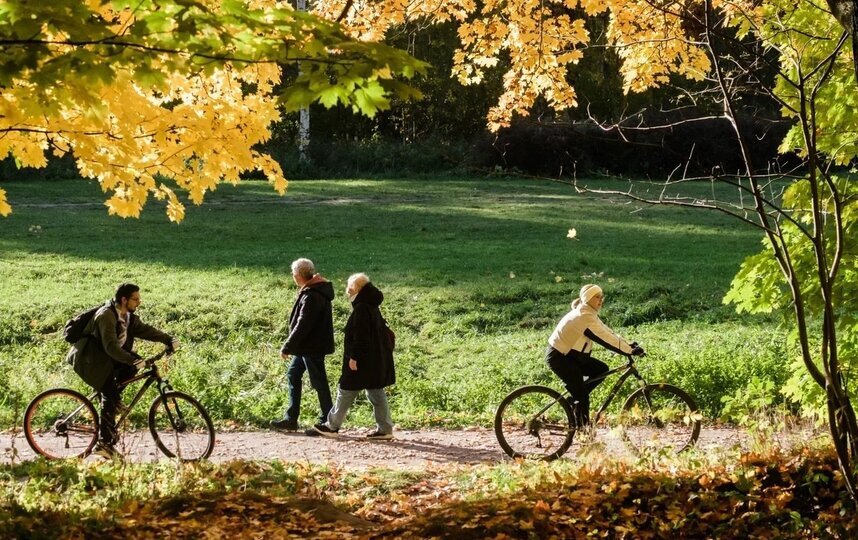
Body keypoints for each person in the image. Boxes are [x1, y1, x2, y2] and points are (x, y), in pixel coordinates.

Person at [66, 283, 178, 458]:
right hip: (89, 360)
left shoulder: (126, 316)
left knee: (120, 383)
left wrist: (168, 339)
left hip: (105, 359)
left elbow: (145, 330)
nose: (138, 302)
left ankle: (110, 413)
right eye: (135, 299)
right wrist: (133, 360)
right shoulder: (106, 316)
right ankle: (104, 444)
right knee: (111, 394)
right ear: (124, 299)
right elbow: (111, 346)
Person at [310, 273, 395, 439]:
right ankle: (385, 429)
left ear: (357, 289)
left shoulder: (362, 308)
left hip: (363, 360)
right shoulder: (371, 304)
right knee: (376, 392)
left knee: (346, 389)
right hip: (374, 360)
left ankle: (332, 426)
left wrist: (354, 357)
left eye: (349, 287)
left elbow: (361, 337)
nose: (347, 291)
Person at [546, 284, 643, 427]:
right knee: (582, 395)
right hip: (560, 358)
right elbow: (605, 339)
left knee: (601, 369)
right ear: (587, 298)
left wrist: (629, 345)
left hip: (573, 357)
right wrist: (628, 351)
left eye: (601, 297)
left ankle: (574, 399)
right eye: (597, 297)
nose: (601, 300)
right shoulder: (584, 317)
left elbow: (607, 332)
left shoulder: (589, 314)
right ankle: (583, 431)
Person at [270, 258, 335, 432]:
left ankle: (328, 421)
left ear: (298, 275)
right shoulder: (313, 290)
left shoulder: (313, 294)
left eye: (293, 273)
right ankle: (291, 419)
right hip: (307, 346)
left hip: (312, 346)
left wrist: (287, 346)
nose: (292, 276)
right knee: (293, 375)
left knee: (318, 381)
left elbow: (303, 324)